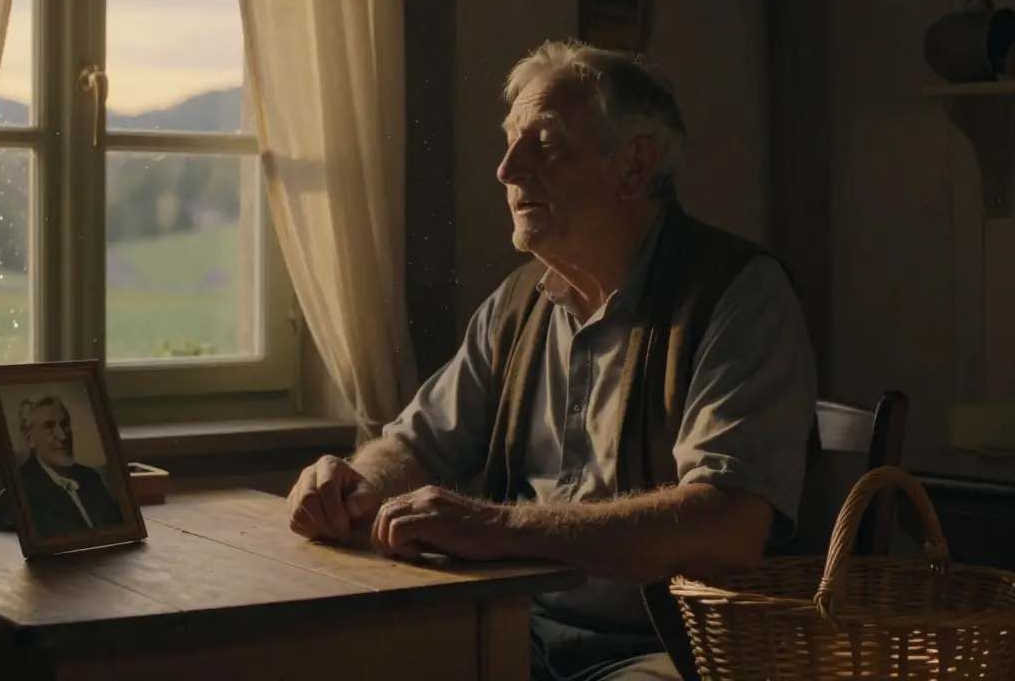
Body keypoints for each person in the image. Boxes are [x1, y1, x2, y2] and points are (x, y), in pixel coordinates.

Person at [285, 40, 817, 681]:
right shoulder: (518, 302)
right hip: (513, 630)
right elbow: (417, 443)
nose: (507, 169)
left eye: (543, 143)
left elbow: (728, 524)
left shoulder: (737, 294)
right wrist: (355, 485)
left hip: (673, 649)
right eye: (509, 142)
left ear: (633, 166)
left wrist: (502, 527)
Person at [16, 394, 123, 537]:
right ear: (30, 440)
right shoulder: (23, 490)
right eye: (49, 427)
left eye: (65, 424)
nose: (63, 436)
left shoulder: (90, 478)